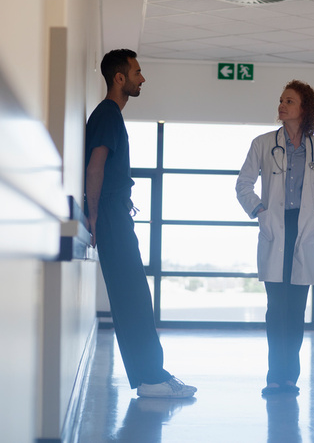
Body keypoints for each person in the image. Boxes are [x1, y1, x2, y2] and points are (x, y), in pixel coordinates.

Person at [84, 49, 196, 398]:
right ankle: (150, 379)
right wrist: (95, 214)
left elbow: (107, 169)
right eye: (137, 72)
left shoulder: (111, 116)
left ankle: (153, 375)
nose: (141, 78)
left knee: (134, 296)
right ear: (120, 78)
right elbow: (95, 167)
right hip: (110, 217)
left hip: (116, 211)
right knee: (133, 298)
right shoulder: (107, 113)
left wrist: (120, 200)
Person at [236, 80, 314, 396]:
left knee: (296, 310)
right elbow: (243, 185)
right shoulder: (263, 143)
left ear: (304, 109)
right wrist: (260, 211)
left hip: (304, 228)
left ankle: (290, 376)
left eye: (289, 101)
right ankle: (274, 375)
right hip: (275, 227)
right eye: (281, 100)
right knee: (276, 308)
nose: (282, 105)